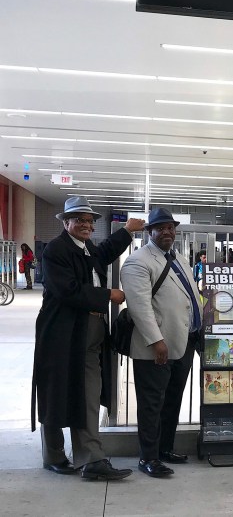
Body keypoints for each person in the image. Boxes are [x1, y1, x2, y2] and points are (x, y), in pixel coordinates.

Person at [31, 196, 143, 480]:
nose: (85, 225)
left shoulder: (86, 248)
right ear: (66, 222)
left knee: (87, 395)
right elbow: (67, 290)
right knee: (55, 394)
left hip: (90, 333)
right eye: (79, 219)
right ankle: (55, 455)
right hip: (61, 335)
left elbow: (104, 253)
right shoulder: (55, 250)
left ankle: (90, 459)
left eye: (90, 221)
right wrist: (108, 295)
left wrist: (127, 231)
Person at [121, 207, 203, 478]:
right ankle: (148, 457)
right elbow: (140, 307)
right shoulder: (138, 261)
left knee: (172, 401)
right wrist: (157, 341)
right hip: (156, 348)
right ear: (149, 232)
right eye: (161, 228)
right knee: (151, 405)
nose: (167, 231)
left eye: (171, 227)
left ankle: (165, 449)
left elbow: (190, 296)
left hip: (183, 343)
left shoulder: (178, 258)